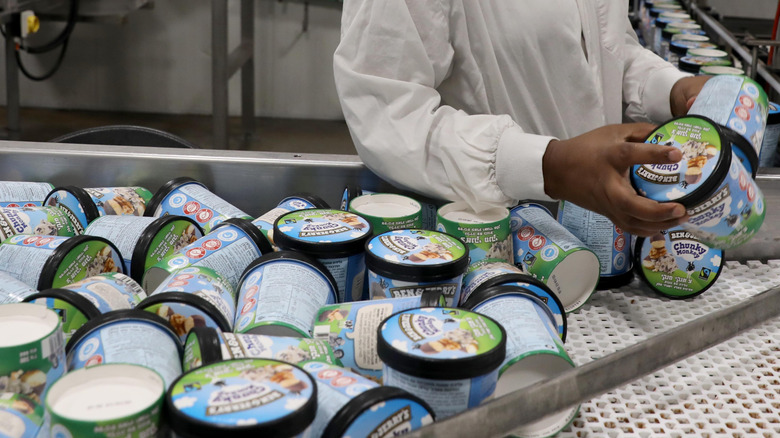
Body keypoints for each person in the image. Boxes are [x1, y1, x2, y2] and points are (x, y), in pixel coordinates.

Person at [333, 0, 710, 237]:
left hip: (604, 243)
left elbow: (599, 45)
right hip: (487, 250)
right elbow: (386, 113)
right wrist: (550, 165)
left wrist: (668, 87)